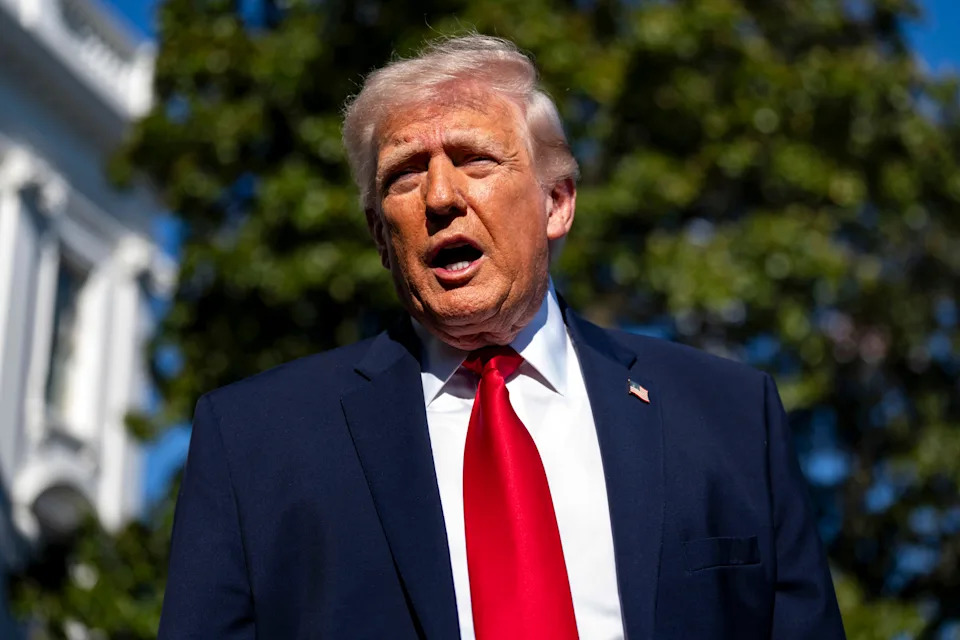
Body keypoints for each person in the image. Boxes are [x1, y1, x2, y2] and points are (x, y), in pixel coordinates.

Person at [157, 35, 846, 640]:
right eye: (404, 174)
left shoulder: (729, 417)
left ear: (557, 202)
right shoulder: (255, 442)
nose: (440, 197)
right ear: (378, 238)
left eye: (476, 159)